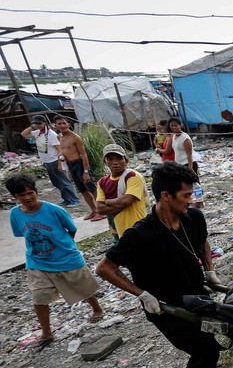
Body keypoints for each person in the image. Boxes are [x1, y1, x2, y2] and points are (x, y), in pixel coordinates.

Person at [96, 162, 233, 368]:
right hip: (164, 306)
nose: (190, 200)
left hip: (196, 295)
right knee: (204, 348)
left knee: (211, 341)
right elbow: (104, 268)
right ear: (165, 196)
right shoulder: (140, 235)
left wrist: (210, 271)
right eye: (185, 195)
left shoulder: (193, 218)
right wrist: (141, 294)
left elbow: (204, 242)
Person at [6, 173, 104, 349]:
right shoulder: (15, 214)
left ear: (36, 192)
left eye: (30, 193)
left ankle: (97, 308)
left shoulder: (53, 210)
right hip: (37, 262)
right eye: (22, 195)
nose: (27, 197)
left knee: (83, 287)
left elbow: (71, 229)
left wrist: (65, 245)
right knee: (39, 296)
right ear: (15, 197)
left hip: (66, 257)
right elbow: (23, 234)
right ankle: (46, 331)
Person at [20, 115, 80, 208]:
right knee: (56, 182)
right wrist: (32, 126)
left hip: (55, 161)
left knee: (64, 182)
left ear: (45, 123)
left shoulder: (51, 134)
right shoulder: (37, 133)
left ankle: (75, 199)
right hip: (47, 161)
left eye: (40, 123)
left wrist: (60, 164)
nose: (38, 125)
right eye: (36, 123)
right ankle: (66, 199)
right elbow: (24, 134)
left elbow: (60, 150)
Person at [54, 116, 103, 221]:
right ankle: (94, 210)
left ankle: (102, 211)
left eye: (64, 123)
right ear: (56, 125)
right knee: (83, 190)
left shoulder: (75, 137)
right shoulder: (60, 137)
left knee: (92, 189)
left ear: (68, 124)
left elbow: (84, 155)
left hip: (80, 164)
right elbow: (64, 150)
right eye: (59, 123)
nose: (62, 126)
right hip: (71, 165)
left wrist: (86, 171)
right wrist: (62, 157)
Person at [95, 144, 148, 240]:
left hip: (139, 227)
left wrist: (107, 201)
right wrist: (121, 203)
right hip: (120, 230)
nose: (115, 162)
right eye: (110, 159)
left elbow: (126, 201)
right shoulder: (102, 182)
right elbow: (100, 209)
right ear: (105, 162)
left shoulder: (133, 176)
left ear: (126, 160)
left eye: (119, 158)